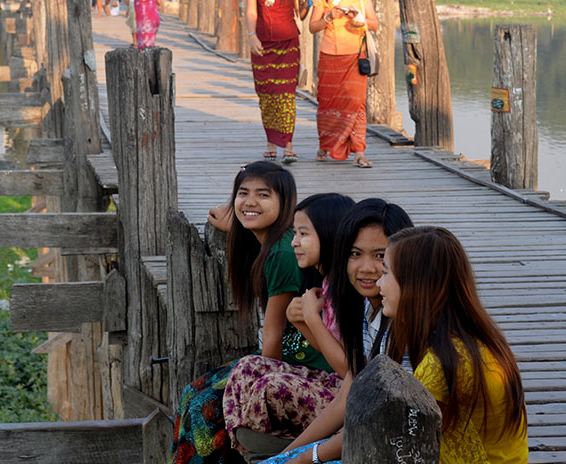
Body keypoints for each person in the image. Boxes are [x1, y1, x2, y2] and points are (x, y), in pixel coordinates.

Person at [169, 161, 334, 464]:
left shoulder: (282, 254)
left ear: (286, 206)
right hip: (290, 358)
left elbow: (271, 338)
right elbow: (248, 219)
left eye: (263, 195)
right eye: (243, 194)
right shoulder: (275, 242)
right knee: (192, 392)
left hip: (307, 367)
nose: (250, 202)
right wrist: (238, 221)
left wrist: (255, 385)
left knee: (202, 407)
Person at [259, 199, 414, 464]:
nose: (366, 268)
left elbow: (379, 420)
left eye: (380, 256)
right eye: (355, 254)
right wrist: (283, 458)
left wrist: (302, 458)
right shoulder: (367, 308)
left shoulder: (406, 325)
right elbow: (346, 399)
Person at [379, 226, 528, 463]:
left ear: (415, 285)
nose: (379, 282)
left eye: (386, 273)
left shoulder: (439, 366)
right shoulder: (475, 340)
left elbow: (408, 448)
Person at [222, 193, 356, 450]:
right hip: (333, 385)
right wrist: (303, 322)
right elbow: (329, 349)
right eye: (294, 234)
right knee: (248, 367)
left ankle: (272, 446)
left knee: (271, 386)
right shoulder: (326, 283)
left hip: (348, 397)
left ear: (329, 235)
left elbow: (347, 368)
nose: (294, 242)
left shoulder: (347, 292)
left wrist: (309, 320)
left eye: (303, 235)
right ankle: (246, 444)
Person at [244, 0, 318, 164]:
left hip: (288, 44)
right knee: (267, 95)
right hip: (263, 45)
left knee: (286, 95)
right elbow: (251, 12)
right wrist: (252, 35)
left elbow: (301, 14)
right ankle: (270, 143)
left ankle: (288, 145)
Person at [309, 0, 379, 168]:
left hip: (355, 57)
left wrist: (360, 20)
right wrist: (329, 17)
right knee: (327, 103)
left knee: (356, 103)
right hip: (330, 57)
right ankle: (325, 145)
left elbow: (374, 24)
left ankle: (359, 152)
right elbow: (313, 27)